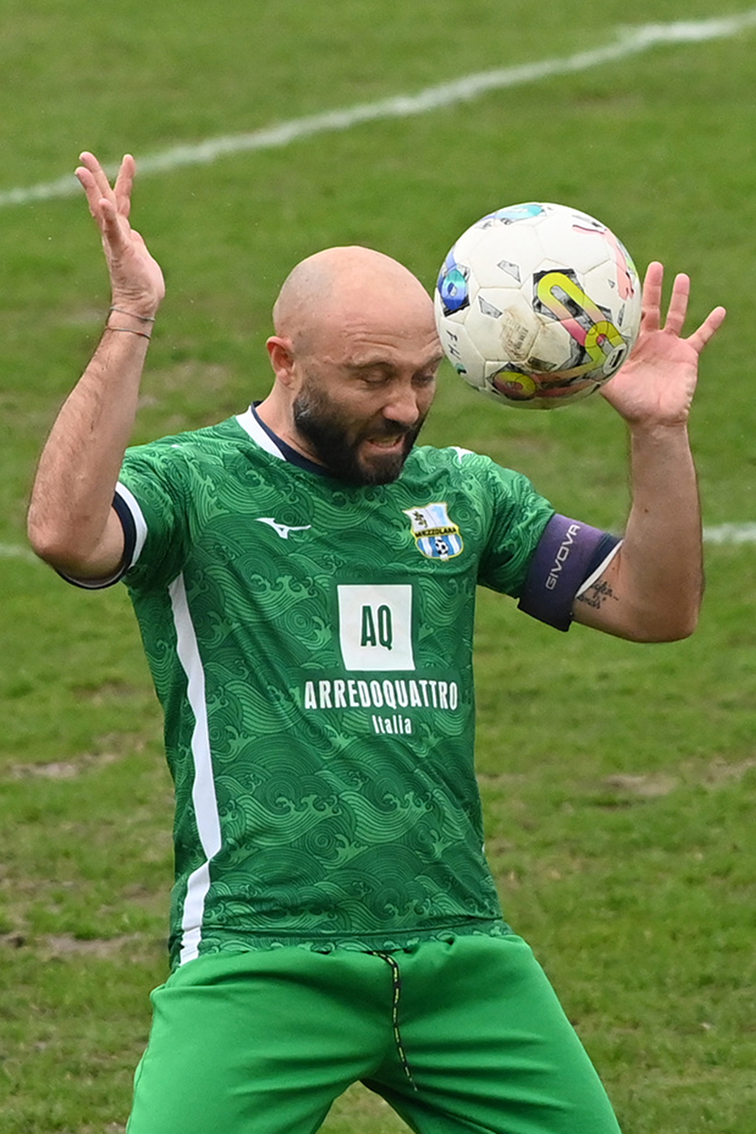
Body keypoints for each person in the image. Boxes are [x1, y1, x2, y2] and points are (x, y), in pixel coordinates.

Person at [27, 152, 725, 1134]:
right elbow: (66, 531)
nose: (403, 405)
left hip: (460, 955)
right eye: (371, 378)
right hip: (263, 954)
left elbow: (657, 610)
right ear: (285, 360)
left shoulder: (465, 493)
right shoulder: (197, 486)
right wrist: (132, 319)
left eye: (424, 376)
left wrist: (658, 434)